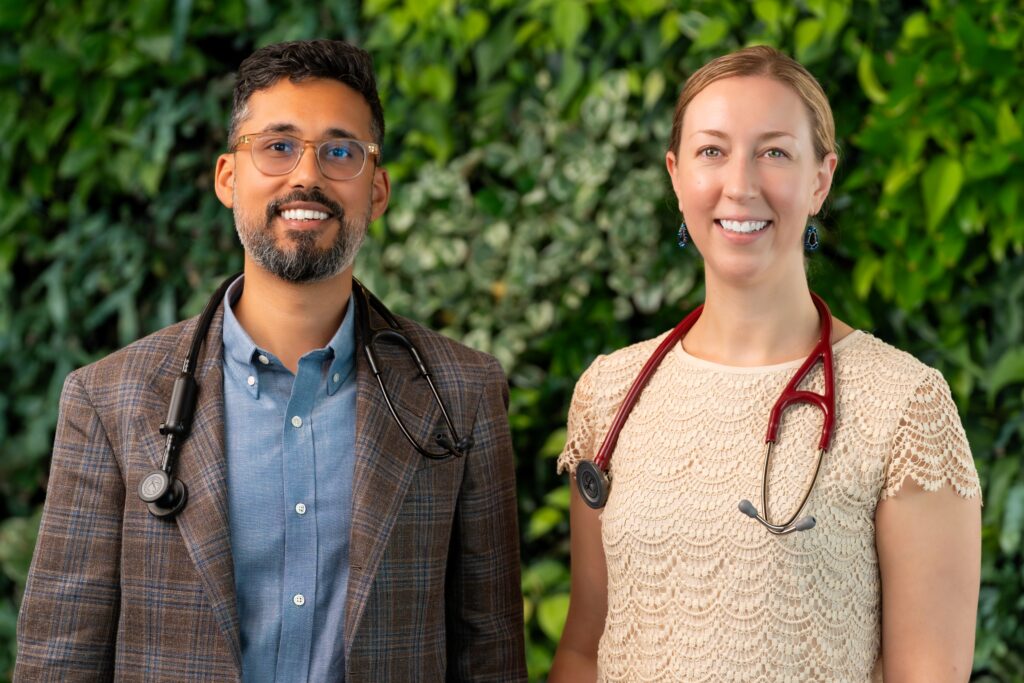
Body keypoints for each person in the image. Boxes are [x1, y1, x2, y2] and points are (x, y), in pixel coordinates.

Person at [16, 39, 526, 682]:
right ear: (229, 177)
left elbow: (492, 657)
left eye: (340, 151)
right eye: (278, 146)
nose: (306, 175)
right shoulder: (111, 399)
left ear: (378, 189)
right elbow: (58, 661)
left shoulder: (461, 392)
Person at [549, 46, 980, 682]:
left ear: (821, 179)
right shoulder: (608, 394)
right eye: (712, 151)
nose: (741, 185)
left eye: (774, 152)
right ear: (675, 175)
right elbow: (585, 649)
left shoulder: (905, 406)